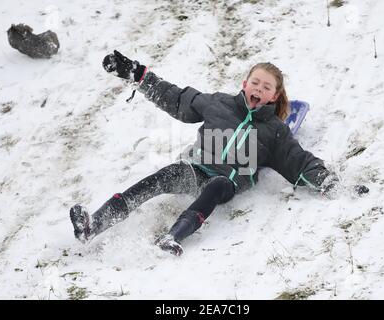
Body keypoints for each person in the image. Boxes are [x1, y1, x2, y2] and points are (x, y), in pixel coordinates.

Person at [69, 50, 368, 256]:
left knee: (217, 185)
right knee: (161, 177)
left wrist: (329, 181)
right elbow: (178, 99)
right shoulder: (218, 104)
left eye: (266, 87)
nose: (259, 89)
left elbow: (298, 161)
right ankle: (94, 224)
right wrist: (138, 74)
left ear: (274, 96)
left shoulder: (274, 131)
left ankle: (173, 236)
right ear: (244, 84)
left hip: (228, 181)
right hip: (195, 167)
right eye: (255, 82)